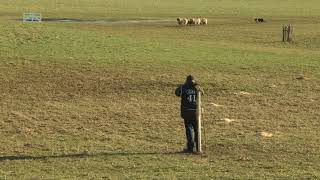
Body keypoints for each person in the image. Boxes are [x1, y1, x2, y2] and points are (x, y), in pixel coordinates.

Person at [175, 75, 204, 153]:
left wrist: (183, 85)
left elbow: (177, 93)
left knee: (189, 129)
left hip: (186, 112)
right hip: (196, 112)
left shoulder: (184, 87)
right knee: (197, 129)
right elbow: (202, 93)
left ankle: (190, 148)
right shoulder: (198, 87)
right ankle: (198, 147)